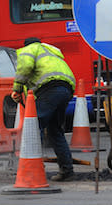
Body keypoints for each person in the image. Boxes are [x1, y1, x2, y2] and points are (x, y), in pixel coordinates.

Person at [11, 37, 76, 181]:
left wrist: (17, 88)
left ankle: (33, 170)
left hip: (50, 88)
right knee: (55, 130)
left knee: (35, 127)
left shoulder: (28, 50)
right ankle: (67, 170)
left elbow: (25, 69)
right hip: (66, 89)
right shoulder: (50, 52)